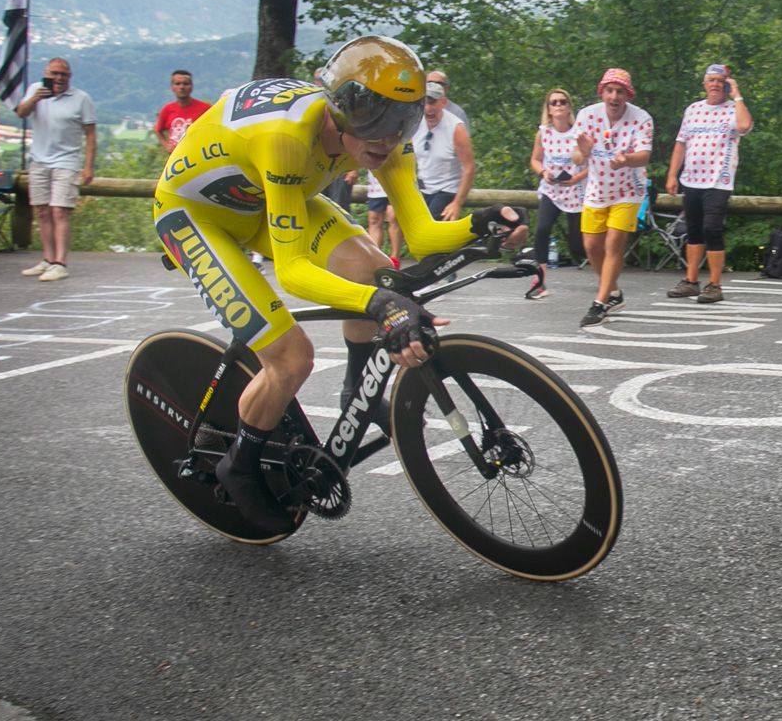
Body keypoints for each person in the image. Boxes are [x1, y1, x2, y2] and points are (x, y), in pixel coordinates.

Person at [151, 34, 524, 532]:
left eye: (402, 122)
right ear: (339, 108)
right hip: (196, 215)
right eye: (375, 123)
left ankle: (356, 388)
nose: (387, 140)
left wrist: (482, 223)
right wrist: (381, 306)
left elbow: (420, 234)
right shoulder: (286, 137)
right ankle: (239, 464)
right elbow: (292, 271)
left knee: (374, 270)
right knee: (291, 357)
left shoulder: (386, 137)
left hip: (263, 201)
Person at [664, 64, 753, 305]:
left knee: (712, 228)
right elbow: (681, 143)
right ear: (704, 83)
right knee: (693, 229)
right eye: (711, 80)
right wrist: (672, 175)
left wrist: (737, 95)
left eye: (720, 81)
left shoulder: (733, 109)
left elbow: (744, 126)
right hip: (692, 179)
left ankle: (714, 285)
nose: (715, 84)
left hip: (718, 181)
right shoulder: (693, 109)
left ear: (726, 85)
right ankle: (691, 281)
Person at [576, 68, 653, 328]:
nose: (614, 97)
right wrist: (583, 152)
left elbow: (644, 155)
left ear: (628, 95)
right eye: (609, 91)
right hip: (597, 189)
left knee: (613, 245)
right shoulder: (587, 115)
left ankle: (599, 304)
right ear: (602, 93)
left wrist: (626, 159)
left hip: (628, 190)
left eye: (620, 91)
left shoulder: (641, 118)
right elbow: (576, 157)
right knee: (591, 247)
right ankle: (613, 293)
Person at [13, 57, 96, 283]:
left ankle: (60, 263)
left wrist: (88, 166)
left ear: (70, 77)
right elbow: (21, 112)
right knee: (41, 210)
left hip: (66, 161)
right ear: (46, 74)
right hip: (38, 160)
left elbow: (90, 134)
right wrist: (35, 98)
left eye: (63, 75)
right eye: (54, 74)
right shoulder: (35, 90)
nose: (58, 78)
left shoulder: (81, 98)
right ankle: (48, 259)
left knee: (60, 210)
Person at [526, 87, 588, 301]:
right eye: (554, 102)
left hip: (575, 191)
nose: (559, 105)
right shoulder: (544, 132)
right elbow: (535, 159)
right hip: (551, 190)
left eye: (563, 102)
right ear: (549, 109)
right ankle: (539, 281)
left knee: (577, 246)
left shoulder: (579, 133)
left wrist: (576, 178)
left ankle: (606, 273)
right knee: (542, 230)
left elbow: (593, 163)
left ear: (569, 107)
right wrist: (544, 172)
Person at [413, 75, 474, 221]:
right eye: (424, 102)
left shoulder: (456, 128)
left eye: (432, 102)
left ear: (443, 103)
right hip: (423, 187)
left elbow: (469, 168)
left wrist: (457, 203)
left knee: (431, 226)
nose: (428, 108)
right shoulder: (414, 122)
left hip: (447, 189)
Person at [154, 70, 210, 154]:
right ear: (172, 87)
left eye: (186, 84)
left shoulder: (206, 109)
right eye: (178, 84)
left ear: (191, 86)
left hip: (199, 155)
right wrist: (166, 146)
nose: (182, 87)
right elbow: (158, 130)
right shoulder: (167, 109)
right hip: (177, 157)